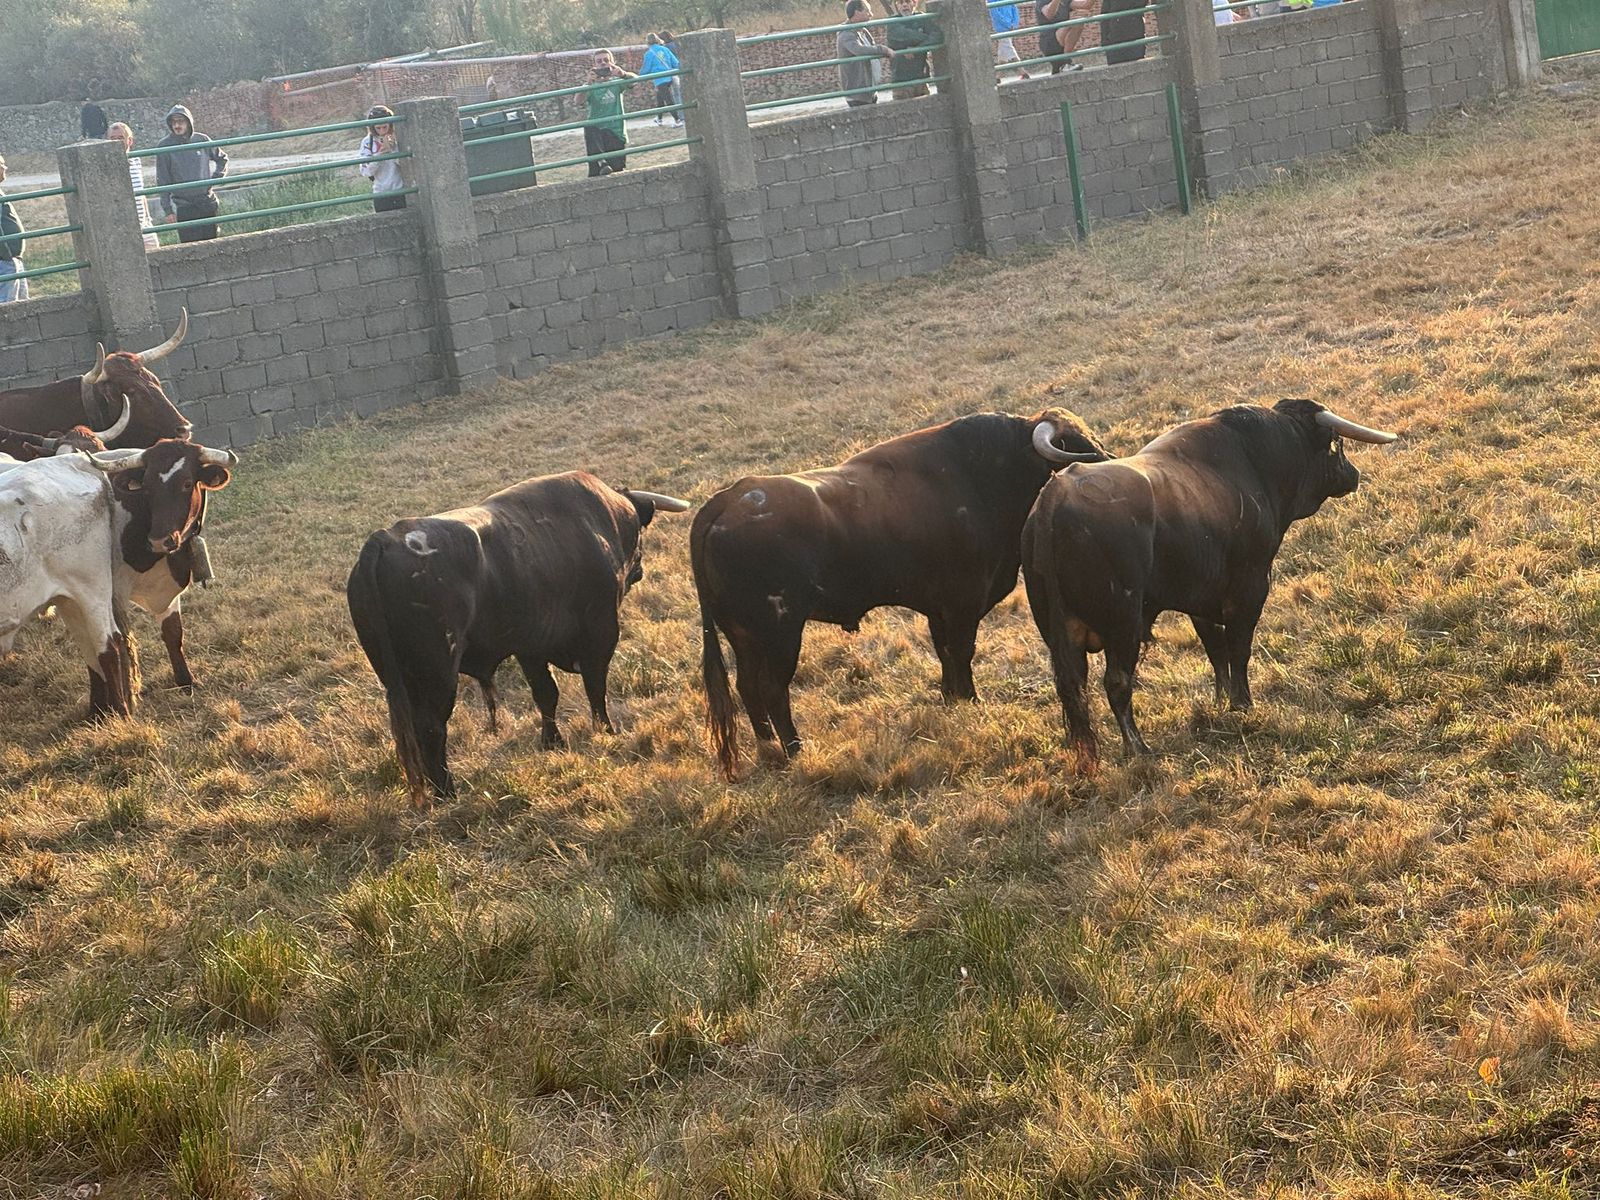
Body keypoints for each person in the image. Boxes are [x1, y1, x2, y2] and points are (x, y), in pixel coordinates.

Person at [155, 105, 228, 243]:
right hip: (184, 205)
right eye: (174, 122)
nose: (177, 125)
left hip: (206, 201)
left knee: (212, 244)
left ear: (189, 122)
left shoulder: (202, 140)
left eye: (181, 121)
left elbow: (222, 158)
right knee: (189, 248)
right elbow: (162, 179)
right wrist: (168, 210)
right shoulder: (164, 146)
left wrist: (216, 178)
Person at [107, 123, 160, 250]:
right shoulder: (107, 166)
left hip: (144, 224)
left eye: (120, 138)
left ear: (129, 141)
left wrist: (148, 218)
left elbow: (141, 192)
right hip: (124, 226)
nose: (116, 143)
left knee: (156, 256)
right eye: (112, 139)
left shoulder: (136, 160)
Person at [584, 50, 636, 177]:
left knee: (617, 172)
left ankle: (603, 163)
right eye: (599, 61)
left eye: (606, 60)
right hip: (597, 134)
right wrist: (588, 83)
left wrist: (622, 73)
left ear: (612, 63)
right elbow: (577, 100)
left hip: (616, 132)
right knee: (589, 127)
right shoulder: (590, 85)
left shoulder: (617, 82)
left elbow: (635, 80)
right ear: (594, 66)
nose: (603, 64)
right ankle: (601, 162)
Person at [838, 0, 893, 107]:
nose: (871, 14)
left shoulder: (863, 31)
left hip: (869, 90)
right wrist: (882, 50)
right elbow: (860, 50)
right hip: (857, 93)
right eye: (867, 11)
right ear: (857, 13)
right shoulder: (846, 34)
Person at [886, 0, 938, 99]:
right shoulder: (892, 22)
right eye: (901, 2)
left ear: (915, 3)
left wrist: (917, 49)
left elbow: (936, 36)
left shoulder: (922, 18)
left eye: (908, 1)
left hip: (921, 78)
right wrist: (925, 36)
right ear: (897, 5)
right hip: (901, 80)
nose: (905, 5)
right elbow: (903, 35)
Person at [358, 105, 406, 213]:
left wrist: (393, 151)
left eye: (385, 127)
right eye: (378, 128)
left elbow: (407, 165)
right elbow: (365, 171)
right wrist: (379, 156)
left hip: (401, 190)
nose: (382, 131)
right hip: (381, 192)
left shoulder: (400, 137)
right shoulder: (367, 142)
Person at [0, 155, 27, 304]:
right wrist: (6, 254)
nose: (5, 168)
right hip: (6, 261)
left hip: (12, 259)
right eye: (2, 164)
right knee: (8, 305)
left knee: (23, 304)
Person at [1036, 0, 1089, 74]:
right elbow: (1049, 14)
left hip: (1062, 37)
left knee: (1078, 22)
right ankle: (1064, 63)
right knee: (1074, 22)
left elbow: (1085, 5)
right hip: (1049, 40)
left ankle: (1066, 61)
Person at [641, 34, 682, 126]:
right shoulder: (665, 49)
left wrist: (639, 77)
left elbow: (646, 69)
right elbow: (675, 63)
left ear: (647, 42)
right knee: (660, 98)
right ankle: (659, 118)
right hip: (669, 76)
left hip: (659, 79)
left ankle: (677, 120)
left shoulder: (649, 53)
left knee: (668, 100)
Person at [991, 2, 1030, 82]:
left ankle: (999, 76)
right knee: (1007, 48)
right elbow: (995, 14)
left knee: (1004, 50)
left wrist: (1014, 23)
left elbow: (1014, 8)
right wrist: (1010, 24)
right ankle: (1022, 71)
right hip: (1002, 27)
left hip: (1007, 26)